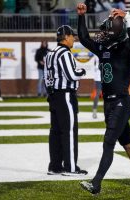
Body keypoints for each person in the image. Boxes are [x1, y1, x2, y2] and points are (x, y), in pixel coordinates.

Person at [77, 3, 130, 195]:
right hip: (110, 103)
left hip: (121, 101)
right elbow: (84, 38)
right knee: (127, 143)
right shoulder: (103, 48)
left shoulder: (126, 48)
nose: (102, 32)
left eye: (106, 28)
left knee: (109, 141)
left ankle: (96, 184)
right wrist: (81, 16)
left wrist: (127, 17)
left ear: (116, 31)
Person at [44, 25, 88, 176]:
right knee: (69, 131)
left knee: (55, 132)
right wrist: (82, 71)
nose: (74, 38)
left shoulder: (50, 54)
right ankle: (70, 167)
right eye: (72, 36)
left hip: (53, 95)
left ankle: (55, 166)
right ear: (66, 37)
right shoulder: (65, 53)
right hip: (65, 96)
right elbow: (72, 75)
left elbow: (46, 77)